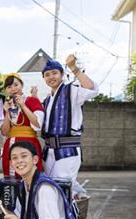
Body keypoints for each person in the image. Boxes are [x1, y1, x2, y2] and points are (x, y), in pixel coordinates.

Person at [41, 55, 98, 198]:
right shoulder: (47, 100)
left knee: (63, 186)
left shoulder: (72, 90)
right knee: (51, 186)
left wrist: (73, 68)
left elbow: (90, 88)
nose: (51, 77)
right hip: (49, 151)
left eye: (54, 73)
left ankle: (68, 217)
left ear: (62, 74)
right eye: (47, 75)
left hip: (68, 148)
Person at [0, 73, 44, 176]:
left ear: (22, 85)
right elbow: (4, 132)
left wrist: (23, 106)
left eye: (16, 85)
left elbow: (38, 125)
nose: (13, 89)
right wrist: (7, 113)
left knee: (31, 177)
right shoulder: (6, 105)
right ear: (5, 90)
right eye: (9, 87)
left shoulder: (32, 101)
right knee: (11, 181)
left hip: (30, 143)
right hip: (11, 144)